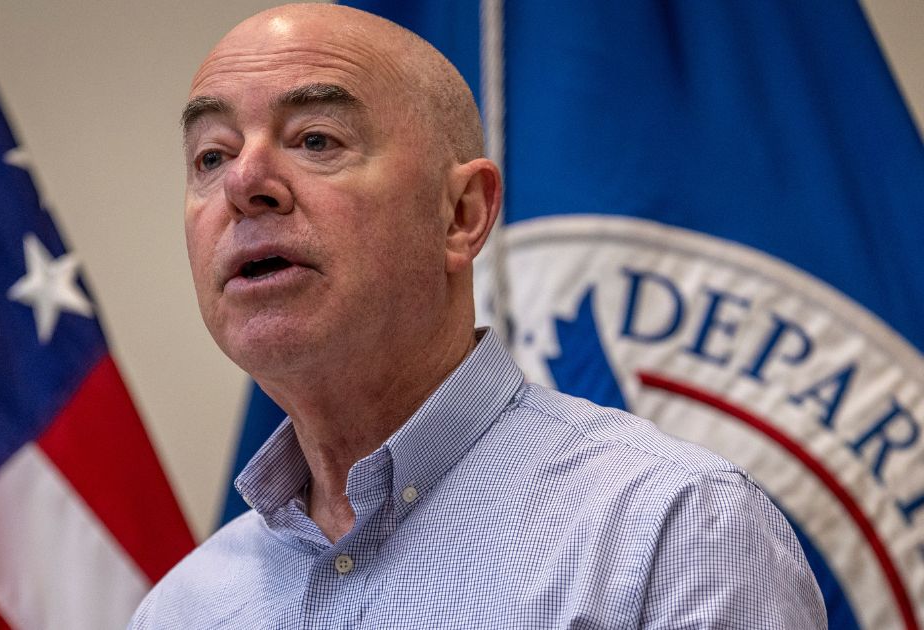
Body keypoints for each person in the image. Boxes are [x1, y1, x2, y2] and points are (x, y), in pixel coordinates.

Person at [132, 3, 826, 627]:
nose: (244, 183)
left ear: (461, 214)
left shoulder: (676, 535)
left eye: (316, 140)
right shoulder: (180, 610)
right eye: (212, 155)